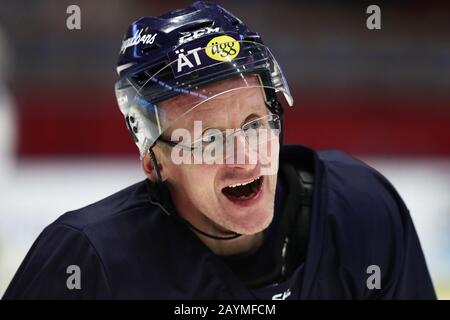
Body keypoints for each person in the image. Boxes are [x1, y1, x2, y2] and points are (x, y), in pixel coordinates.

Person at [3, 1, 436, 299]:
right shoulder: (86, 262)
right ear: (154, 162)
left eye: (254, 125)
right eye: (207, 140)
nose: (246, 158)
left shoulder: (363, 215)